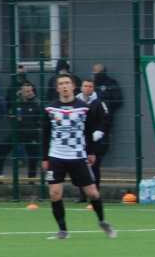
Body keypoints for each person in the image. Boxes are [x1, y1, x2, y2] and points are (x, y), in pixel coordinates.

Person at [42, 74, 114, 240]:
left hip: (77, 156)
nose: (65, 86)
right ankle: (62, 230)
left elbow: (88, 131)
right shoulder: (50, 109)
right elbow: (46, 134)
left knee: (93, 193)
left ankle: (102, 221)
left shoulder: (83, 108)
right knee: (54, 193)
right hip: (56, 156)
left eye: (67, 83)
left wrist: (91, 152)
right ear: (57, 88)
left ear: (73, 86)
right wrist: (45, 158)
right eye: (61, 84)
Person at [76, 80, 109, 199]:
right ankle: (82, 196)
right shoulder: (75, 102)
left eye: (90, 86)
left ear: (93, 88)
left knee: (94, 167)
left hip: (94, 141)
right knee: (79, 168)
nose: (88, 88)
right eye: (85, 86)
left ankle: (95, 194)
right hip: (78, 141)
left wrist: (98, 133)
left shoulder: (99, 103)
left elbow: (104, 120)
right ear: (81, 87)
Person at [16, 82, 42, 178]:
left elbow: (40, 118)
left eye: (31, 91)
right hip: (19, 132)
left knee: (32, 157)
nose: (30, 93)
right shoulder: (17, 102)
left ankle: (31, 178)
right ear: (21, 92)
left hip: (32, 133)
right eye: (27, 91)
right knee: (3, 147)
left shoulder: (37, 103)